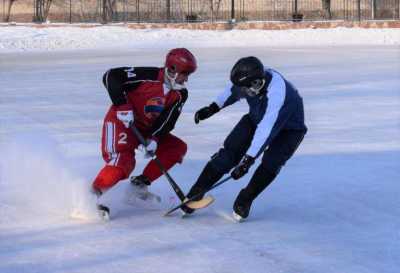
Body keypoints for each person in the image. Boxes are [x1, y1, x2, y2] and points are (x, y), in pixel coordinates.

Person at [182, 56, 307, 221]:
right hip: (257, 119)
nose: (242, 94)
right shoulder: (251, 79)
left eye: (245, 90)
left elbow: (266, 130)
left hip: (289, 131)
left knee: (271, 162)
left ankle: (246, 199)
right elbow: (232, 90)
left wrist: (248, 160)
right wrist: (213, 107)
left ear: (257, 84)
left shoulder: (277, 93)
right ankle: (196, 192)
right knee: (229, 153)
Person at [91, 48, 197, 217]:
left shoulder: (180, 94)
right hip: (121, 122)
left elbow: (168, 120)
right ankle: (90, 197)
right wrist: (122, 105)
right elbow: (110, 76)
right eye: (184, 73)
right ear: (172, 69)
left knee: (176, 148)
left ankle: (137, 188)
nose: (186, 79)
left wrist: (154, 138)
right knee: (123, 163)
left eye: (188, 74)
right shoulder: (148, 75)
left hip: (146, 129)